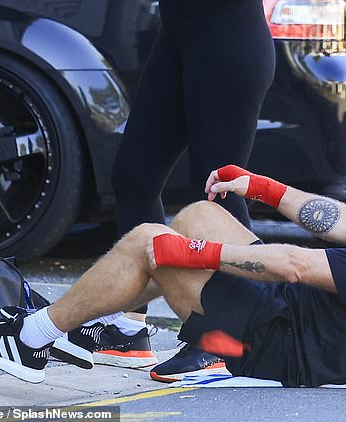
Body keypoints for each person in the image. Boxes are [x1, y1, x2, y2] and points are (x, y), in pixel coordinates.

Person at [0, 138, 346, 386]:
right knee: (196, 215)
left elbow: (295, 267)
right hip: (291, 315)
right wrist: (260, 187)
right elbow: (345, 222)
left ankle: (30, 337)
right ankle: (81, 317)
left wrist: (194, 256)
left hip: (281, 345)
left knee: (148, 241)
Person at [100, 0, 276, 374]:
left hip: (228, 37)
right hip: (179, 34)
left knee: (216, 189)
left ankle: (224, 336)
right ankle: (128, 328)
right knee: (134, 177)